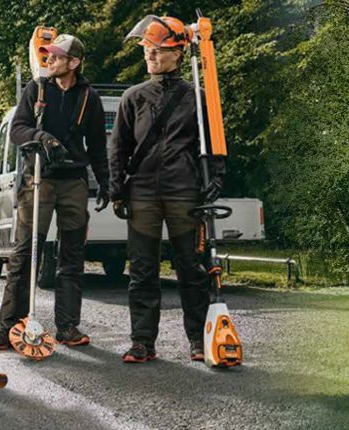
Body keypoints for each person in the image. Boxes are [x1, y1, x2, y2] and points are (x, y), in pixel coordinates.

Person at [110, 15, 225, 364]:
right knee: (142, 270)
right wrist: (117, 190)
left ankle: (198, 339)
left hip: (183, 192)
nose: (150, 56)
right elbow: (118, 147)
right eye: (147, 50)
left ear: (178, 53)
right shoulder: (133, 97)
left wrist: (216, 175)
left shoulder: (198, 96)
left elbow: (215, 140)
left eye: (158, 50)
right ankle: (142, 341)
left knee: (191, 268)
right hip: (142, 192)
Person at [0, 33, 108, 350]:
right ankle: (9, 327)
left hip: (74, 182)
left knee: (71, 256)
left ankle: (68, 327)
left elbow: (96, 145)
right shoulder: (36, 89)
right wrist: (41, 137)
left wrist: (106, 183)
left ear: (74, 62)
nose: (49, 60)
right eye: (48, 56)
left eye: (56, 56)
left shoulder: (88, 97)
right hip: (37, 179)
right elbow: (16, 130)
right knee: (24, 254)